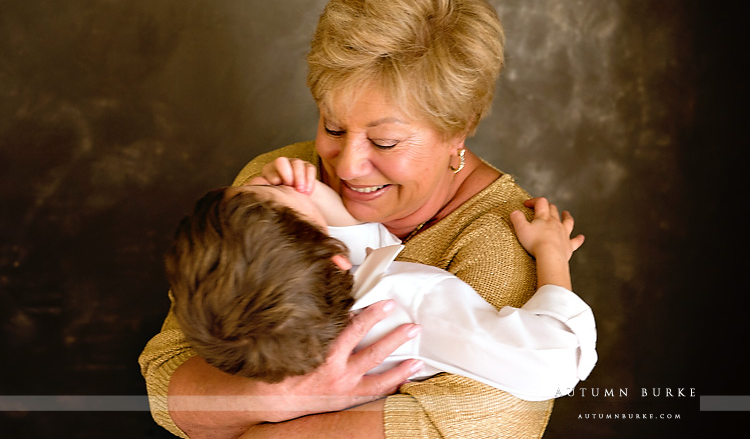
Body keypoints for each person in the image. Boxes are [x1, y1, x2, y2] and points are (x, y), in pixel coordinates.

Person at [140, 0, 581, 438]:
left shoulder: (501, 239)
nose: (345, 166)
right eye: (332, 126)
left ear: (459, 130)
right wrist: (293, 395)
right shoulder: (278, 184)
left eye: (385, 141)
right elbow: (166, 384)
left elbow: (488, 424)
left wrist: (249, 417)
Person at [165, 179, 595, 406]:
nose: (276, 175)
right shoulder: (411, 311)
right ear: (334, 259)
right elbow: (552, 362)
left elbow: (353, 255)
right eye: (277, 189)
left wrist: (311, 197)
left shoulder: (289, 325)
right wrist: (550, 253)